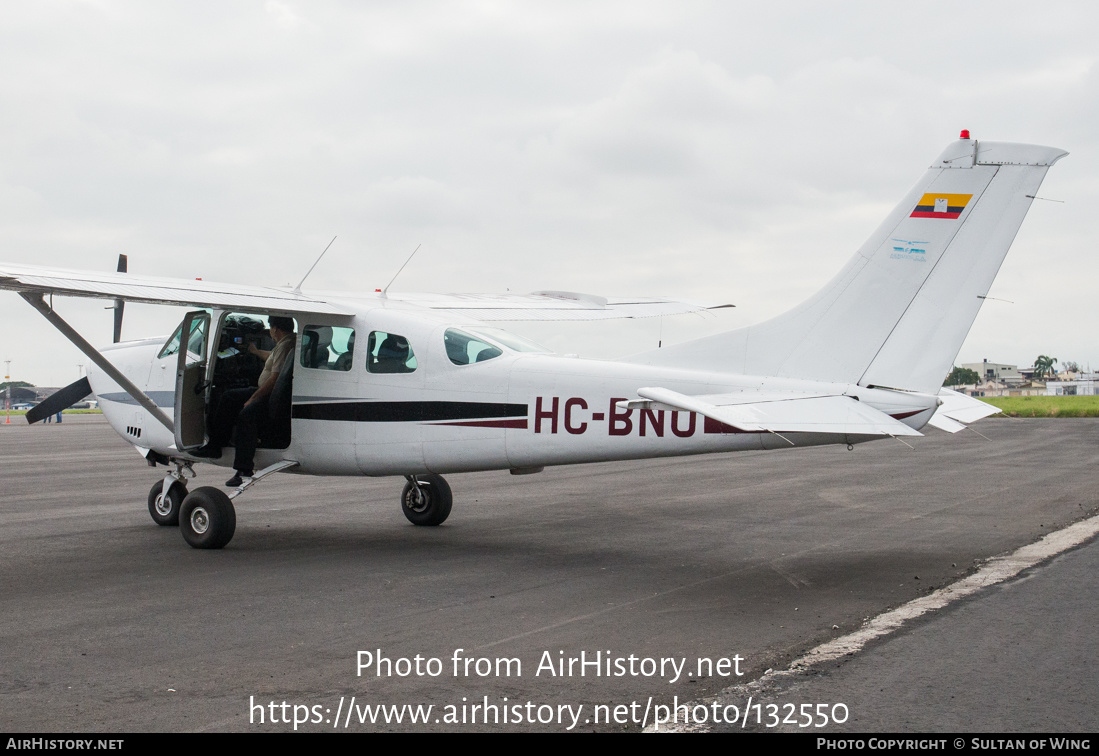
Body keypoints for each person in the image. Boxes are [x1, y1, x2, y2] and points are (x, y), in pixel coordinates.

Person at [194, 316, 296, 487]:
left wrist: (253, 398)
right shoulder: (290, 342)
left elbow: (274, 378)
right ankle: (216, 444)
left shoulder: (286, 345)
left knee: (245, 415)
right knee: (229, 397)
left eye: (271, 328)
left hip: (270, 395)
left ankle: (243, 468)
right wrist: (255, 351)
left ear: (275, 329)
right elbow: (272, 357)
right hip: (273, 393)